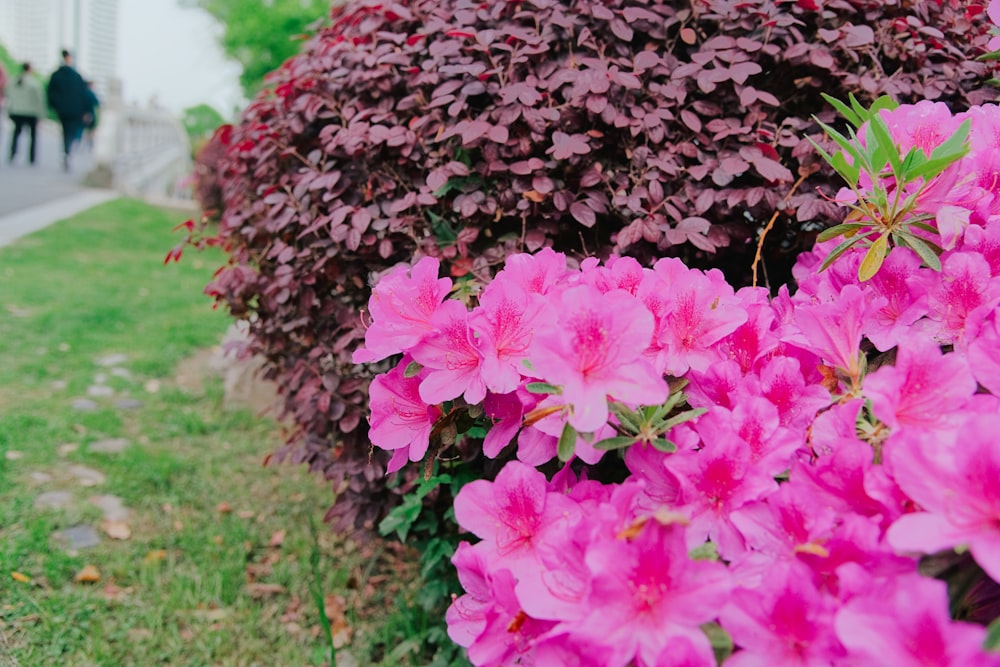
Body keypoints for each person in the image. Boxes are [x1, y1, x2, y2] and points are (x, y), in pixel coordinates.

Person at [46, 49, 88, 170]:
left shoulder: (57, 75)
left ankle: (66, 152)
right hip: (75, 110)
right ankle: (68, 152)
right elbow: (84, 94)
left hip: (63, 110)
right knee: (71, 132)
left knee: (65, 132)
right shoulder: (77, 76)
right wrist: (85, 111)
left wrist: (54, 106)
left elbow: (50, 92)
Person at [7, 63, 47, 165]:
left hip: (17, 111)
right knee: (33, 136)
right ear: (30, 70)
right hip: (31, 113)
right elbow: (39, 100)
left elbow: (9, 96)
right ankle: (32, 158)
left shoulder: (13, 81)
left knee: (16, 134)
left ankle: (13, 154)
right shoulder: (34, 83)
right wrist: (42, 114)